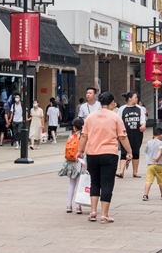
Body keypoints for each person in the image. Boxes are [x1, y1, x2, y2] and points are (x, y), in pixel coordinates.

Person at [77, 92, 132, 223]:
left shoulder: (91, 116)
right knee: (107, 184)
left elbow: (84, 135)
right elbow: (122, 136)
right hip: (109, 154)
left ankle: (93, 212)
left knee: (94, 182)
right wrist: (129, 151)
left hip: (92, 153)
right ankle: (104, 215)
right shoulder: (115, 117)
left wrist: (80, 151)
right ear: (112, 102)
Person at [59, 117, 87, 213]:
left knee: (72, 184)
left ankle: (69, 204)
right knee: (79, 184)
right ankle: (78, 206)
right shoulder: (84, 136)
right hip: (80, 162)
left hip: (71, 162)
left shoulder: (71, 136)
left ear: (74, 127)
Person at [117, 92, 145, 179]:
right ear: (129, 98)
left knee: (136, 151)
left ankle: (135, 172)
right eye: (135, 97)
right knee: (123, 151)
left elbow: (143, 120)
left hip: (137, 133)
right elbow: (118, 121)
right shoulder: (122, 109)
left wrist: (143, 126)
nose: (137, 99)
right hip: (125, 134)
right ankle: (121, 171)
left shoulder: (139, 108)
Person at [142, 126, 162, 200]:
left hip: (150, 164)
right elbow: (160, 150)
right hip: (159, 164)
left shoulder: (148, 142)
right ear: (161, 135)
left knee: (149, 180)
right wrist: (157, 158)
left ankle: (145, 195)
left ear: (153, 135)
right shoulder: (161, 143)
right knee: (161, 180)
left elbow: (146, 151)